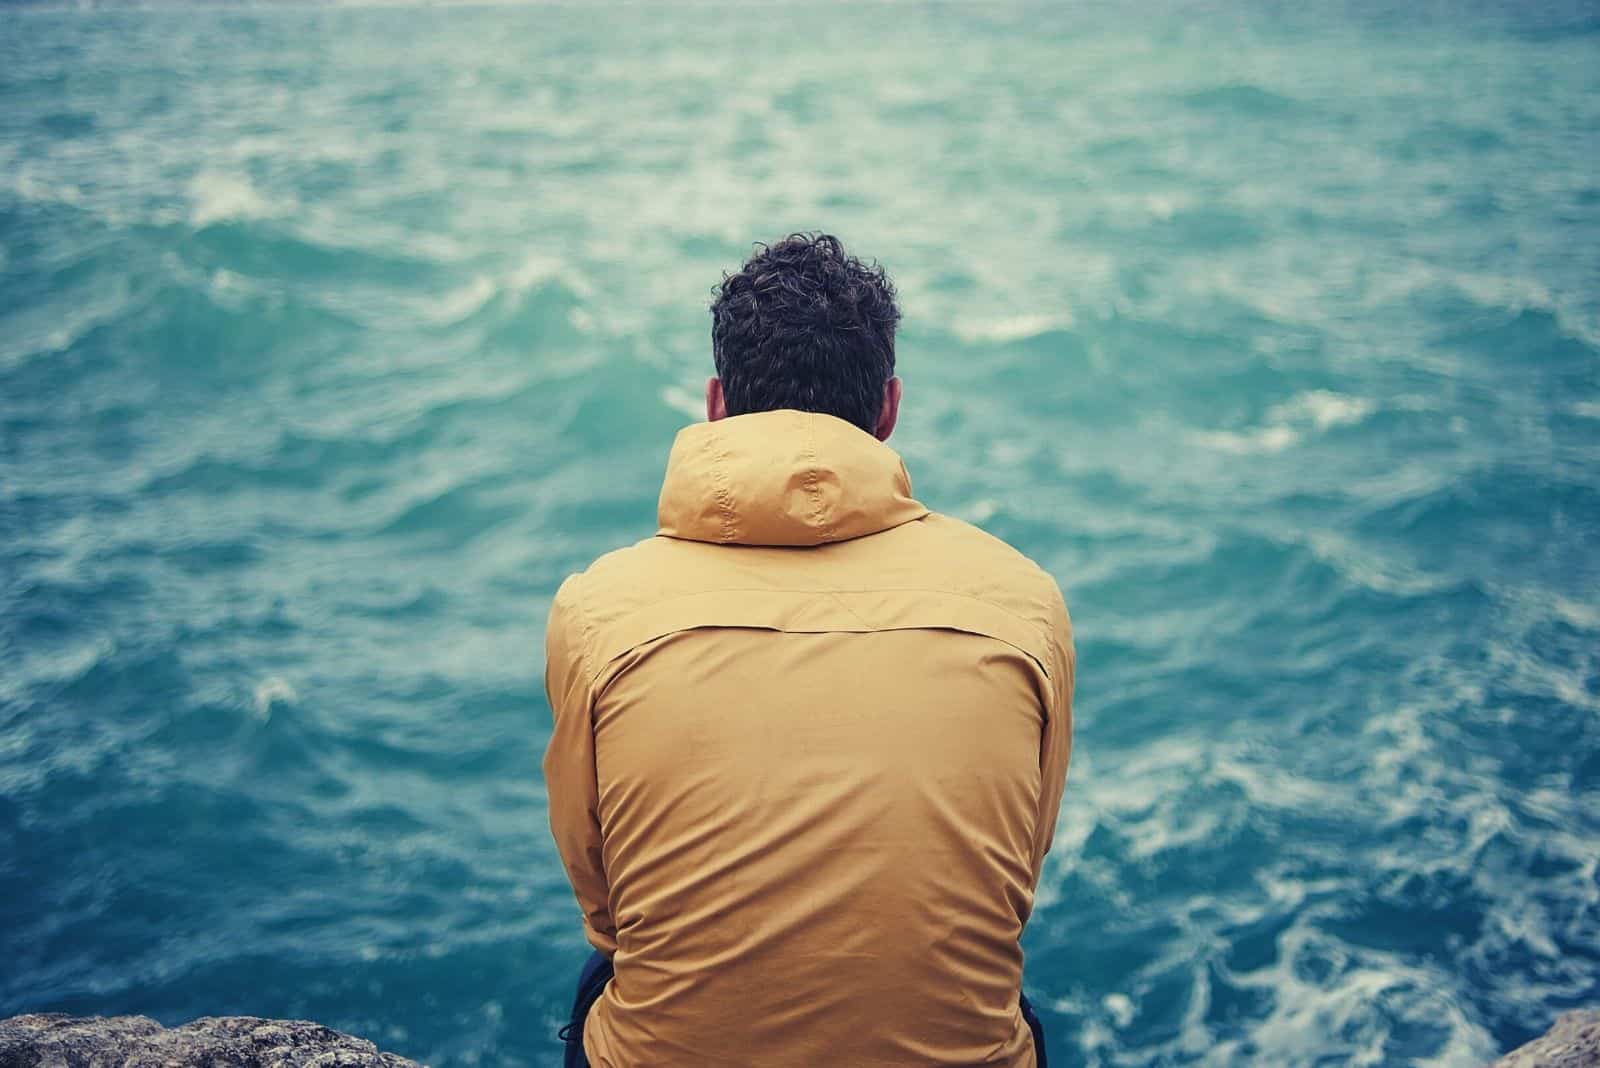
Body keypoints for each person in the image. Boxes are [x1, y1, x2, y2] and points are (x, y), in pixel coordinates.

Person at [543, 233, 1074, 1067]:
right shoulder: (1024, 604)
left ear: (717, 404)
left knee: (600, 975)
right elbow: (1013, 876)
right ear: (888, 409)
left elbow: (607, 905)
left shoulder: (598, 611)